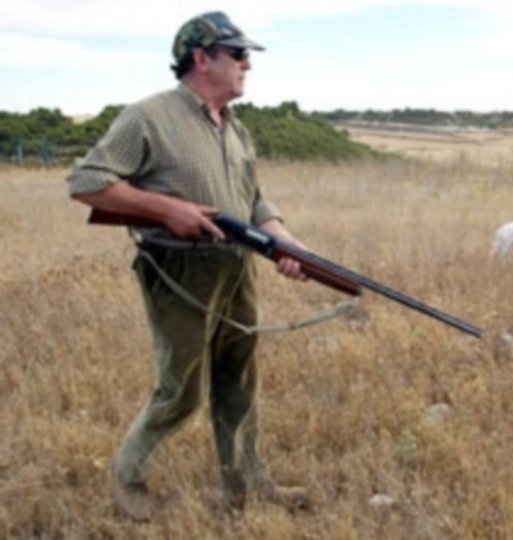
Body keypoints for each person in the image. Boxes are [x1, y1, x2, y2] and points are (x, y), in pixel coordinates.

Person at [66, 11, 311, 521]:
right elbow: (86, 180)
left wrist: (287, 244)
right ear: (202, 58)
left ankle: (246, 484)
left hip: (237, 266)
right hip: (178, 272)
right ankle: (127, 478)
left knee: (238, 382)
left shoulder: (236, 129)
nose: (248, 65)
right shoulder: (149, 116)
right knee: (182, 390)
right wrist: (167, 210)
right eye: (238, 54)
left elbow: (255, 202)